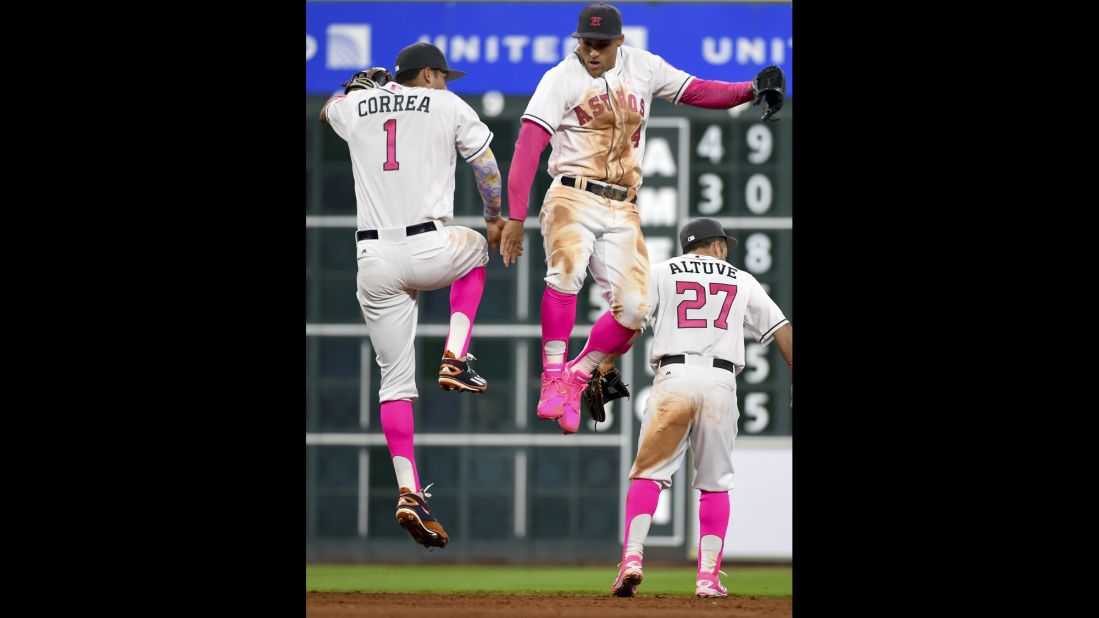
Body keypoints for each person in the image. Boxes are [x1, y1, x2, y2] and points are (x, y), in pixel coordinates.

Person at [499, 2, 785, 434]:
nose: (591, 52)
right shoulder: (560, 78)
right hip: (573, 193)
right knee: (566, 272)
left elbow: (697, 91)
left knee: (637, 307)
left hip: (623, 204)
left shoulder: (644, 67)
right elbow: (528, 144)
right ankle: (554, 373)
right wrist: (515, 216)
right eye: (585, 44)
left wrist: (749, 89)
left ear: (619, 42)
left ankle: (579, 374)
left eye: (600, 44)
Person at [319, 42, 506, 548]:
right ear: (427, 73)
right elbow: (485, 164)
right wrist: (494, 216)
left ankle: (408, 491)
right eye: (443, 74)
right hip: (428, 243)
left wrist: (355, 88)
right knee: (476, 250)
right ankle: (455, 355)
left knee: (394, 385)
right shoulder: (444, 103)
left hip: (373, 261)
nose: (447, 82)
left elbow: (328, 109)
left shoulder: (354, 107)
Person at [610, 218, 792, 597]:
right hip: (720, 384)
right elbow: (782, 330)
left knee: (649, 474)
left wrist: (603, 361)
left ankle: (632, 559)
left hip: (673, 377)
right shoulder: (741, 279)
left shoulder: (661, 272)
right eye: (724, 244)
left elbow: (627, 321)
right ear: (716, 246)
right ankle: (707, 578)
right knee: (714, 484)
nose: (726, 249)